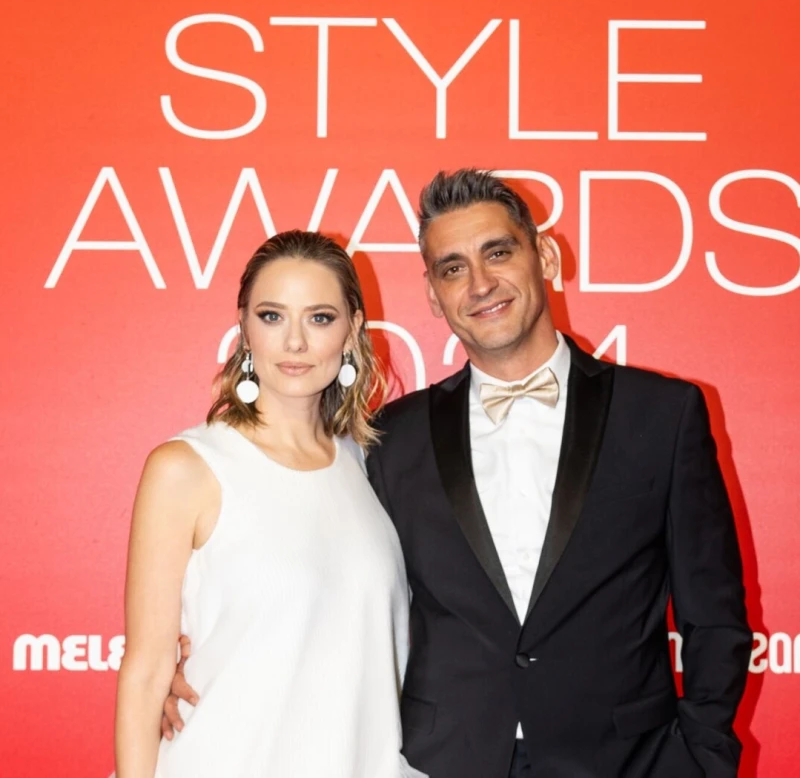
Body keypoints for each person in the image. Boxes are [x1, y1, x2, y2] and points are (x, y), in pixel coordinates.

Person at [163, 172, 752, 778]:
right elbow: (312, 573)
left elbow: (715, 614)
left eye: (498, 253)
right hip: (443, 764)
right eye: (452, 268)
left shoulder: (661, 415)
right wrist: (191, 659)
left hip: (630, 763)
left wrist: (702, 759)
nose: (480, 284)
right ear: (432, 293)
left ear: (545, 256)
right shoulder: (389, 440)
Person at [115, 230, 427, 778]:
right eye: (272, 316)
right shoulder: (187, 468)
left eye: (320, 318)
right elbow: (145, 675)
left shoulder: (370, 466)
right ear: (244, 326)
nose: (295, 342)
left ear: (353, 329)